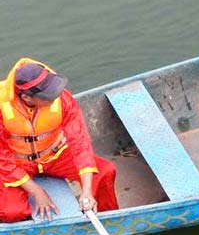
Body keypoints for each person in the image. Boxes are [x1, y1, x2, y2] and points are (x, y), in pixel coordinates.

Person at [0, 59, 119, 223]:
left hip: (56, 156)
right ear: (27, 97)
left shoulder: (61, 97)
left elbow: (80, 142)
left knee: (105, 171)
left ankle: (109, 220)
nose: (55, 97)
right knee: (12, 212)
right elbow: (2, 158)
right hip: (16, 163)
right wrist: (36, 191)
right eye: (48, 96)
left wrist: (86, 191)